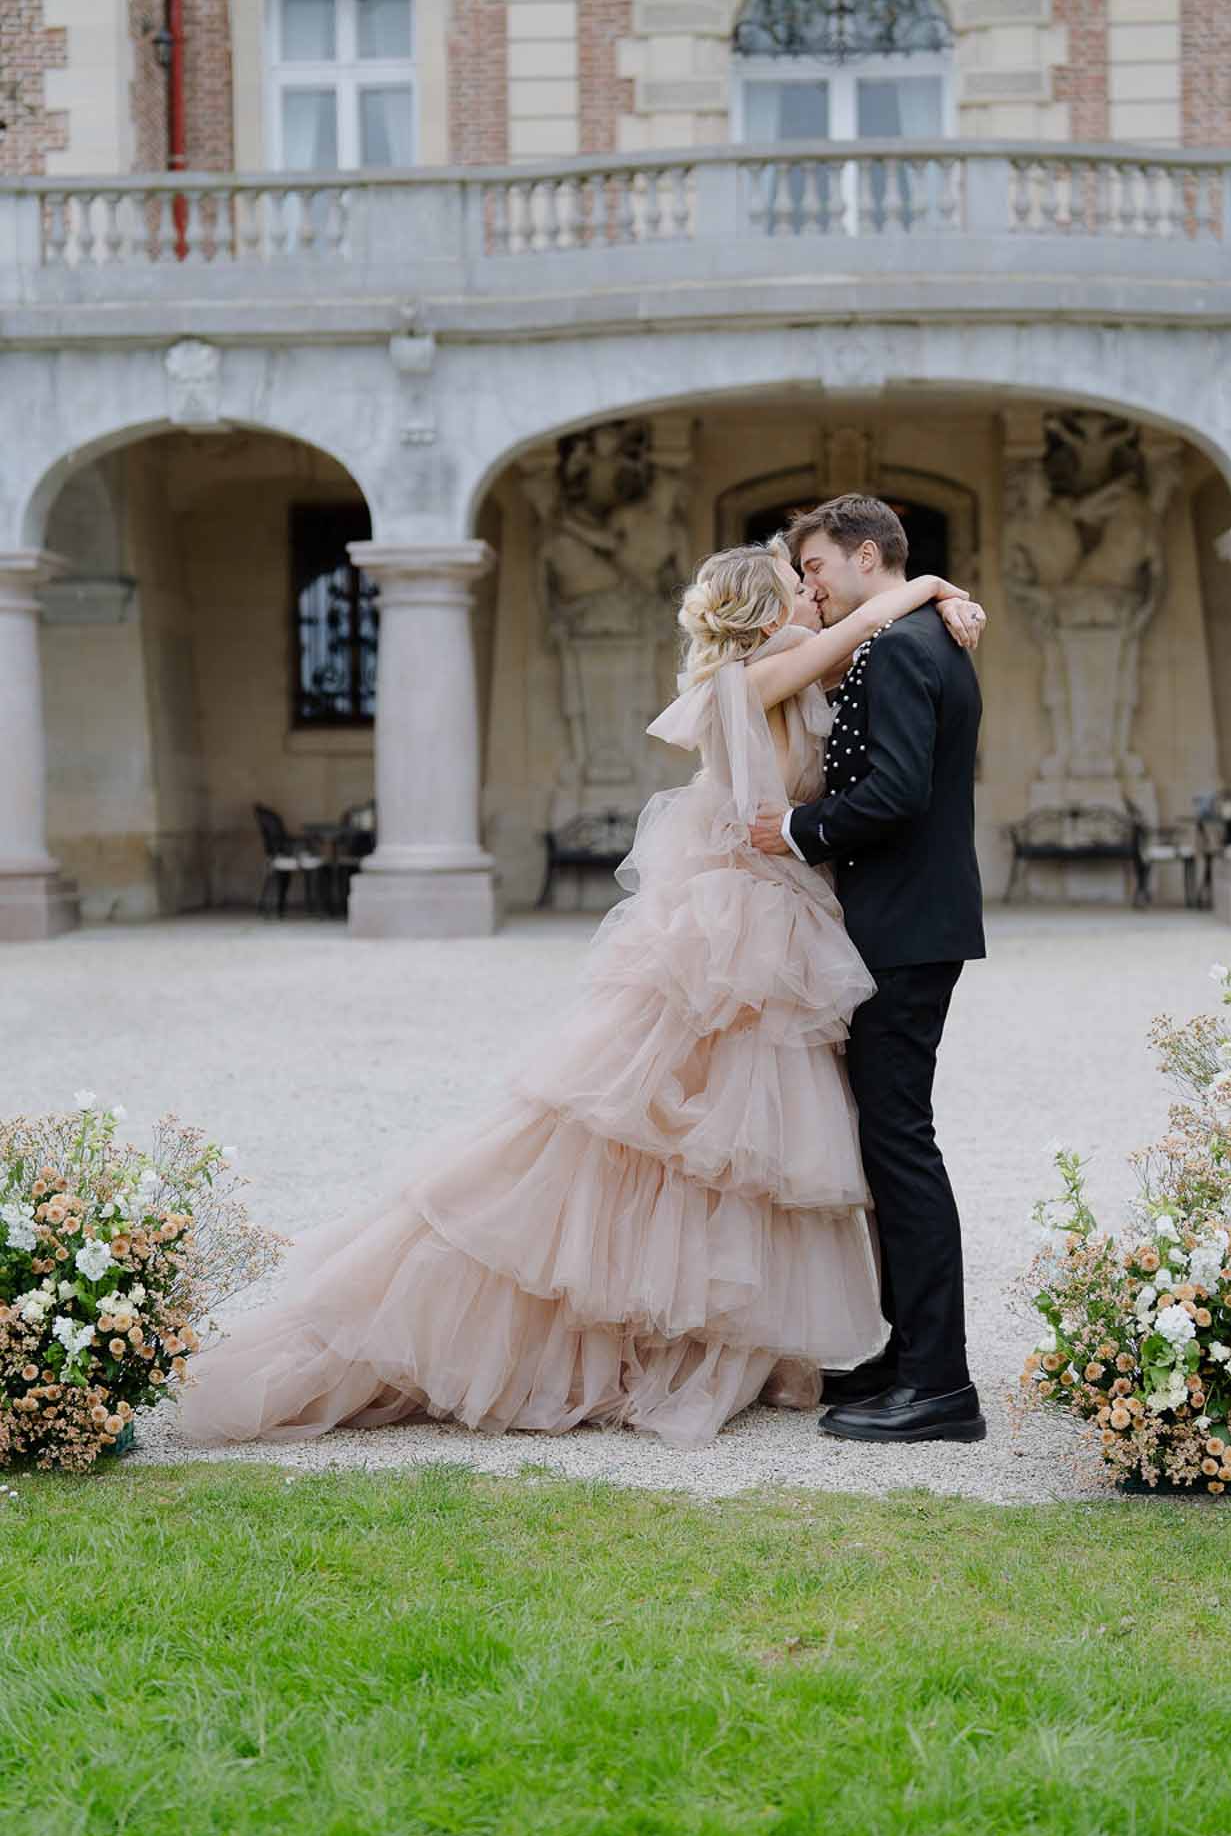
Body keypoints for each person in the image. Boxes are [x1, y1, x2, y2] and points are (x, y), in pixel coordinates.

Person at [179, 541, 983, 1451]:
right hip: (740, 928)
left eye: (817, 574)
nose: (814, 592)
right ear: (765, 613)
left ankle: (753, 1337)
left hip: (793, 918)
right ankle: (663, 1328)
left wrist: (941, 604)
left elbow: (866, 692)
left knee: (739, 1146)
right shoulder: (749, 678)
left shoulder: (794, 670)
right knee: (689, 1135)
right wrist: (926, 587)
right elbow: (860, 633)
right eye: (798, 582)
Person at [750, 494, 987, 1446]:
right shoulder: (929, 634)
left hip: (902, 928)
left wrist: (797, 830)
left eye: (815, 567)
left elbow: (892, 789)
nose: (809, 582)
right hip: (910, 921)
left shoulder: (897, 649)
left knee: (899, 1146)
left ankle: (940, 1388)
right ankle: (907, 1353)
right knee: (889, 1144)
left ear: (862, 557)